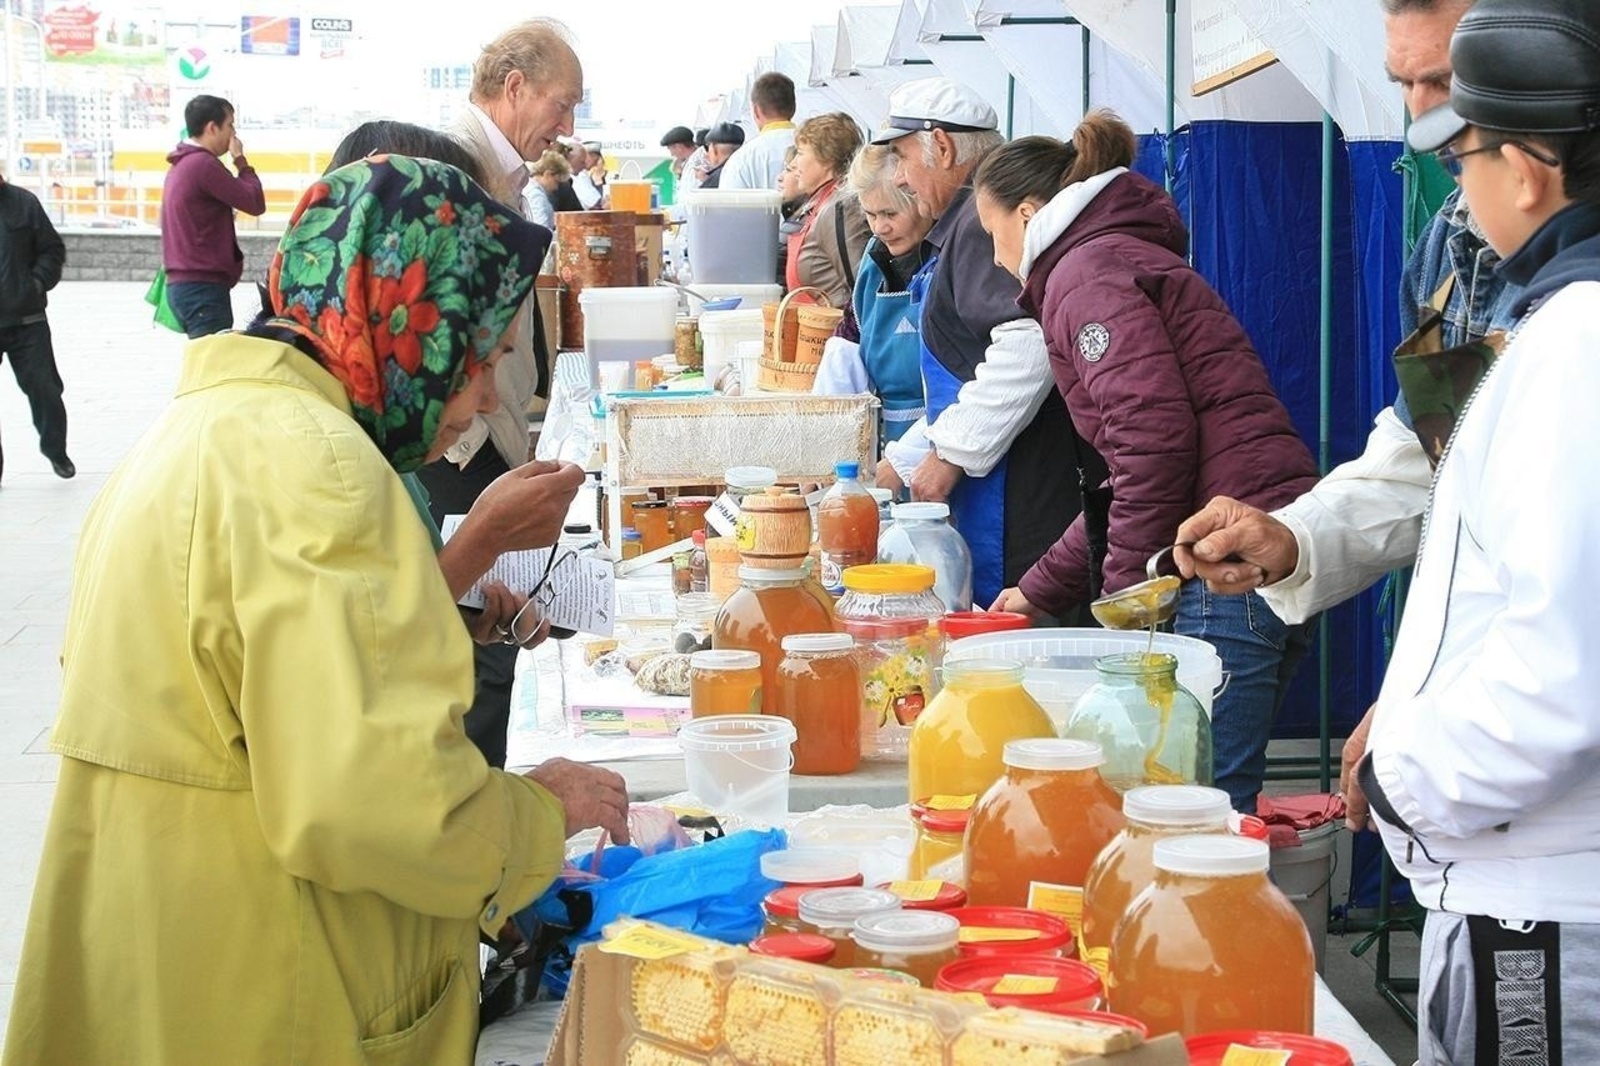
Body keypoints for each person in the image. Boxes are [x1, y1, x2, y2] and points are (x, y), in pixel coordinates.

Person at [1, 156, 632, 1066]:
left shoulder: (204, 427)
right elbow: (378, 805)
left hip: (158, 942)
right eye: (478, 358)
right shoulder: (327, 472)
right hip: (264, 977)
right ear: (409, 325)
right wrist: (539, 814)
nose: (486, 397)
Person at [1173, 0, 1521, 828]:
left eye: (1446, 79)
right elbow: (1425, 455)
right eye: (1403, 82)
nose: (1420, 113)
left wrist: (1431, 706)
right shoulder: (1449, 243)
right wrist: (1291, 538)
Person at [1354, 2, 1600, 1058]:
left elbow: (1561, 663)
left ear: (1528, 171)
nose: (1452, 187)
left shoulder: (1574, 344)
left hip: (1541, 899)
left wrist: (1400, 774)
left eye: (1463, 159)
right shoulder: (1545, 316)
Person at [975, 113, 1321, 813]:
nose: (994, 256)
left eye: (993, 233)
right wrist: (1040, 588)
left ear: (1031, 213)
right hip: (1246, 541)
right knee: (1205, 813)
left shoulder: (1085, 276)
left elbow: (1152, 446)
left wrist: (1128, 601)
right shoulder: (1107, 260)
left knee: (1192, 818)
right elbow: (1129, 473)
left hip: (1221, 561)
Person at [874, 77, 1091, 612]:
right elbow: (970, 368)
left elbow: (1027, 341)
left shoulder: (976, 222)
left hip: (1024, 499)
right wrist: (908, 458)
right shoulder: (965, 224)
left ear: (942, 147)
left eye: (902, 158)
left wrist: (950, 453)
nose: (899, 177)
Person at [432, 16, 581, 769]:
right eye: (562, 102)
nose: (568, 123)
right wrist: (464, 433)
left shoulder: (506, 173)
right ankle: (482, 795)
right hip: (459, 447)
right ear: (514, 86)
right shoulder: (454, 161)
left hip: (476, 434)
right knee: (473, 638)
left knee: (490, 611)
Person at [813, 144, 933, 449]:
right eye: (870, 214)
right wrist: (824, 441)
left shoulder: (950, 260)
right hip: (888, 443)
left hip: (945, 442)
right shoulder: (874, 261)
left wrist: (905, 458)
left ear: (922, 201)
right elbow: (847, 345)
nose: (880, 227)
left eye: (891, 213)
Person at [159, 94, 267, 338]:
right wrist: (240, 161)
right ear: (212, 127)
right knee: (214, 367)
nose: (233, 133)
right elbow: (254, 201)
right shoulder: (203, 165)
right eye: (230, 125)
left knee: (206, 363)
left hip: (186, 285)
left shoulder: (181, 164)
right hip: (202, 289)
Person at [0, 167, 71, 482]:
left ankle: (55, 449)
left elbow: (52, 250)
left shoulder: (24, 203)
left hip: (27, 319)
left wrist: (37, 282)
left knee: (45, 388)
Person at [788, 112, 871, 309]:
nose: (793, 163)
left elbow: (861, 284)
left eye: (800, 153)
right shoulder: (820, 203)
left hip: (834, 332)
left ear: (827, 158)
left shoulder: (841, 208)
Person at [720, 72, 798, 191]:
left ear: (756, 111)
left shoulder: (741, 159)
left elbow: (727, 207)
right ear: (794, 108)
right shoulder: (816, 149)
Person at [525, 148, 570, 233]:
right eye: (557, 182)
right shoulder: (536, 195)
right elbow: (541, 227)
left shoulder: (531, 190)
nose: (556, 188)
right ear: (548, 174)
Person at [699, 122, 745, 189]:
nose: (707, 154)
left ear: (714, 149)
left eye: (707, 148)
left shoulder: (718, 177)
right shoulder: (746, 170)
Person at [573, 140, 606, 208]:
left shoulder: (584, 174)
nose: (595, 163)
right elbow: (595, 204)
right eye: (594, 158)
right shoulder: (579, 174)